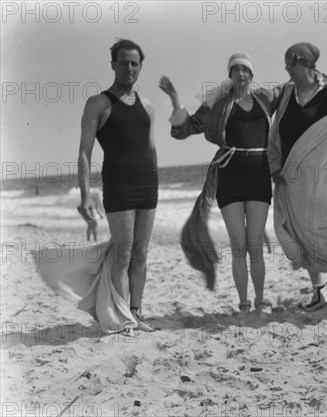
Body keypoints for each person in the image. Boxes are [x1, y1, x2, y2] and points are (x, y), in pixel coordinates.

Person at [159, 52, 280, 316]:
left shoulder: (264, 100)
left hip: (259, 174)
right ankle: (244, 304)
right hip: (230, 174)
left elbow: (292, 95)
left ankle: (260, 301)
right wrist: (174, 98)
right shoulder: (218, 105)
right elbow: (187, 128)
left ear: (252, 74)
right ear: (230, 74)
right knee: (239, 245)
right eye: (236, 70)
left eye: (246, 69)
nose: (241, 74)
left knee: (255, 244)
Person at [268, 42, 327, 311]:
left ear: (306, 63)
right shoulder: (287, 94)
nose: (286, 66)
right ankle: (319, 291)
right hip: (292, 180)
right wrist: (274, 167)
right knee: (301, 235)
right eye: (286, 61)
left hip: (324, 180)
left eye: (291, 61)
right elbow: (275, 137)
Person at [77, 39, 159, 331]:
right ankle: (122, 318)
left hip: (148, 187)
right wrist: (86, 194)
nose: (129, 68)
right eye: (123, 62)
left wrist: (156, 182)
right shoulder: (98, 103)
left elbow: (151, 150)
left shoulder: (147, 106)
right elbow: (85, 152)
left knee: (140, 254)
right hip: (118, 186)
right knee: (122, 254)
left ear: (140, 67)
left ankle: (135, 313)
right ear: (113, 64)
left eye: (134, 63)